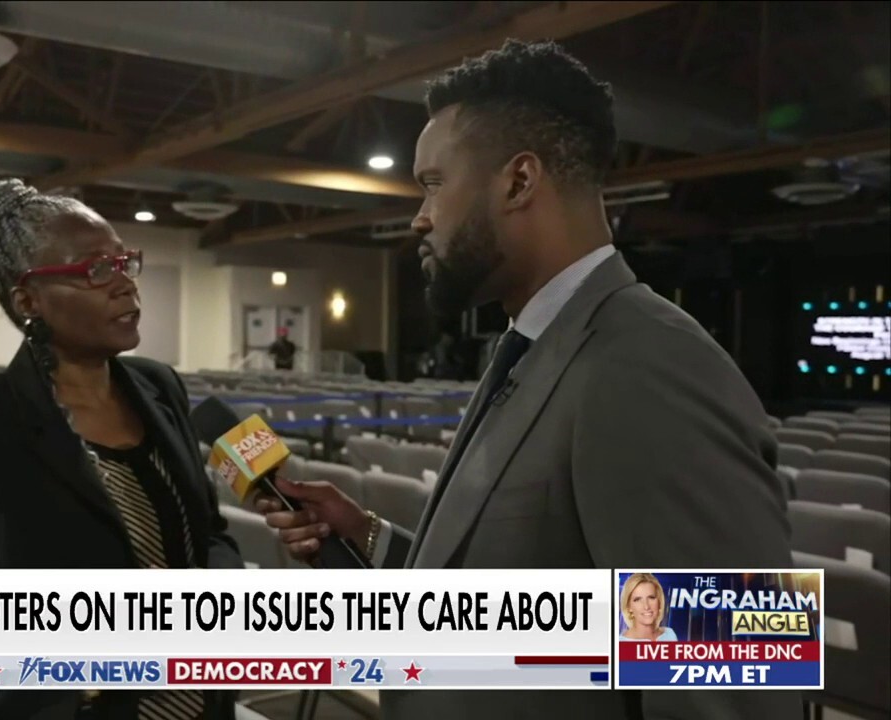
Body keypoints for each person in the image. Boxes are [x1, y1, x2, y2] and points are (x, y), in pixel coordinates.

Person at [256, 40, 795, 718]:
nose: (419, 217)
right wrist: (369, 537)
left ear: (518, 182)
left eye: (431, 184)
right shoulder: (533, 345)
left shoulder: (650, 365)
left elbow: (744, 685)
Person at [0, 178, 243, 720]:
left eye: (124, 262)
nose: (125, 286)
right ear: (28, 300)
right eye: (94, 270)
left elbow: (209, 534)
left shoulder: (161, 386)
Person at [619, 573, 678, 642]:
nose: (646, 606)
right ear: (629, 607)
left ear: (659, 601)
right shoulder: (621, 643)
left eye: (651, 598)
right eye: (637, 599)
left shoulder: (670, 635)